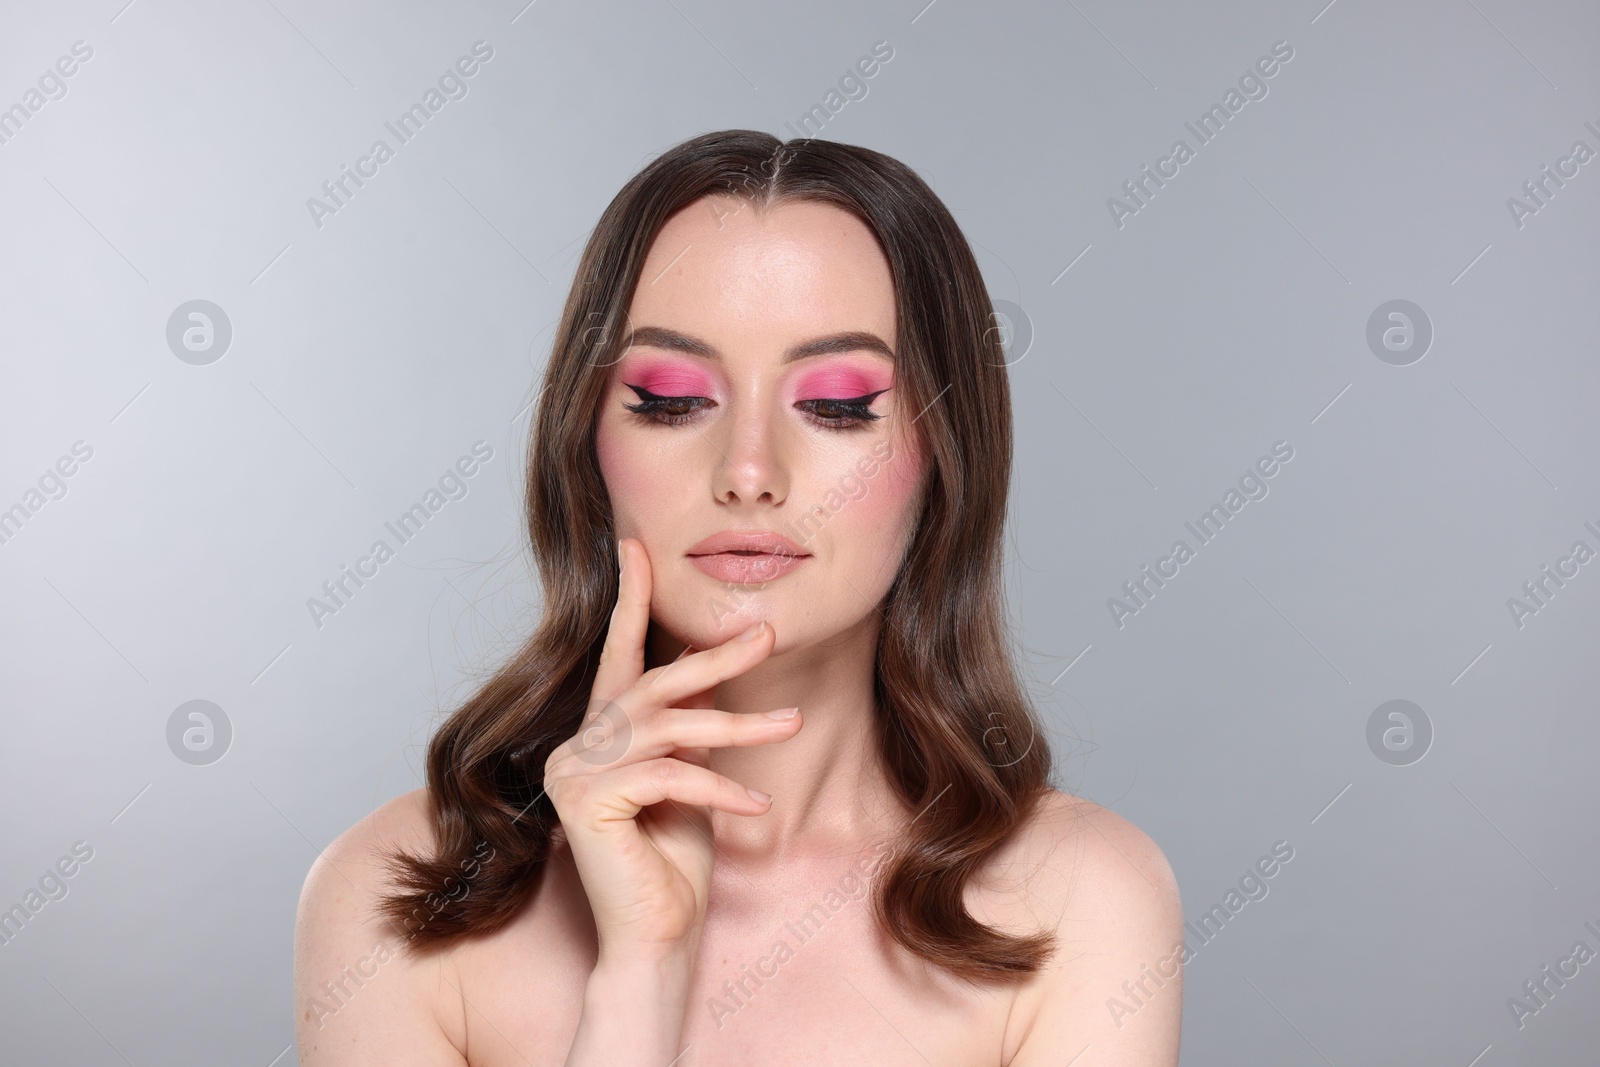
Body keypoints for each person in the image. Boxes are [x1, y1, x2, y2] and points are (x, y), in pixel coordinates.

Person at [293, 129, 1183, 1065]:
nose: (749, 472)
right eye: (671, 398)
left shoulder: (1082, 900)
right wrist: (643, 977)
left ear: (943, 455)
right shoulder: (395, 897)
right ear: (585, 443)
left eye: (837, 403)